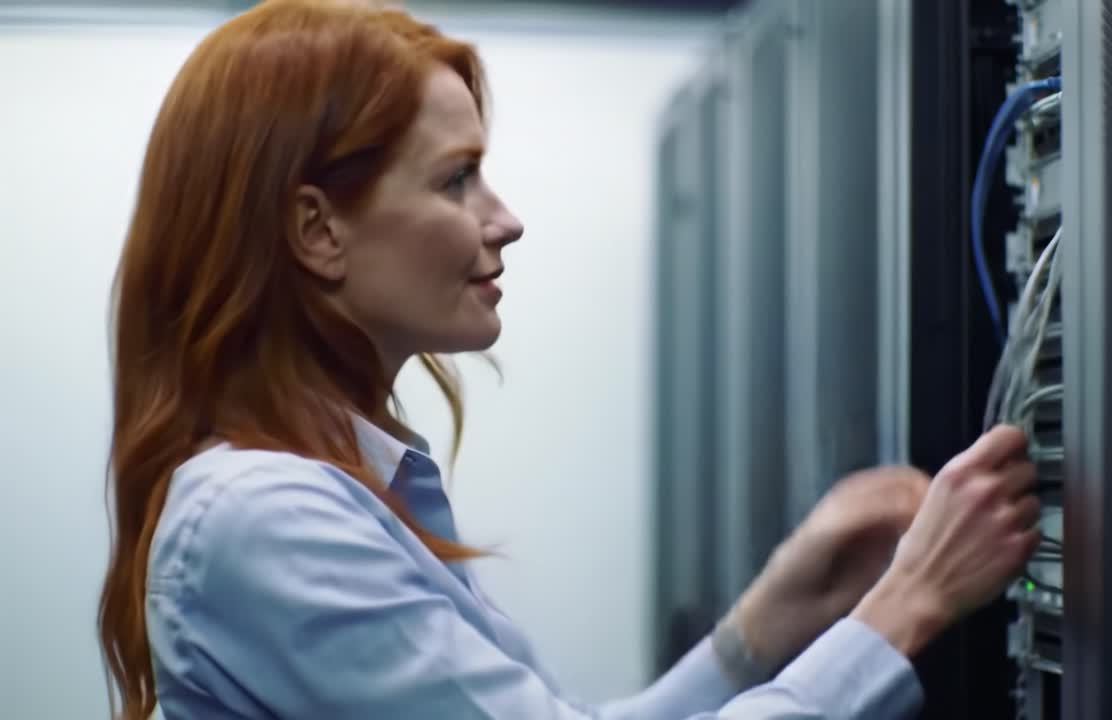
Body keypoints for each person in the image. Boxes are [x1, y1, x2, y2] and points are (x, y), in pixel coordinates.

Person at [96, 1, 1041, 718]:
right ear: (317, 230)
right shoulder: (266, 518)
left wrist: (769, 621)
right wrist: (909, 602)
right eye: (456, 178)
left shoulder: (312, 491)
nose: (505, 219)